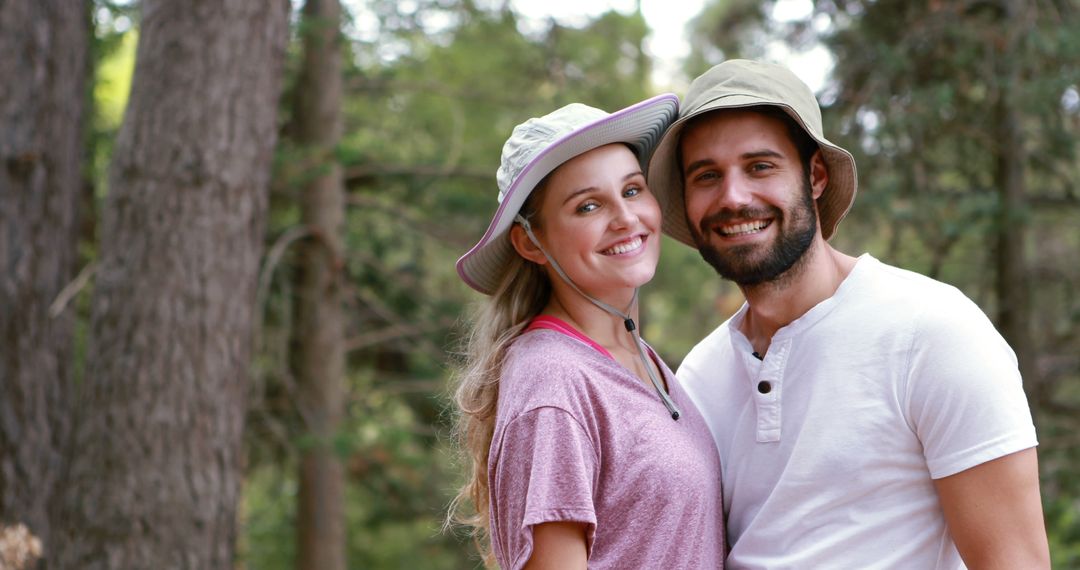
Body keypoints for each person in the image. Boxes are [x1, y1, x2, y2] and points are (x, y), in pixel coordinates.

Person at [647, 59, 1050, 568]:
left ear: (814, 176)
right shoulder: (699, 378)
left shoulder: (932, 331)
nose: (733, 197)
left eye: (760, 166)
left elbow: (1015, 561)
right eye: (707, 176)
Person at [448, 95, 725, 569]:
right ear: (530, 242)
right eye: (589, 205)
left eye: (633, 190)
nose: (625, 218)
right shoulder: (554, 381)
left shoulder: (638, 357)